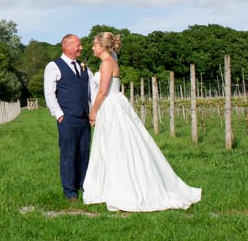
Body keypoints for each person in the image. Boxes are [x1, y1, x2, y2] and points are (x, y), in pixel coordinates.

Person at [82, 31, 202, 212]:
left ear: (103, 47)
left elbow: (102, 92)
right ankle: (109, 185)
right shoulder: (111, 58)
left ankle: (124, 188)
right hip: (113, 106)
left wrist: (93, 111)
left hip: (111, 106)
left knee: (117, 146)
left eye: (95, 45)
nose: (92, 48)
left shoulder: (107, 63)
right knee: (112, 145)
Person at [43, 33, 92, 203]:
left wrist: (92, 112)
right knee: (68, 154)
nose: (81, 48)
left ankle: (83, 185)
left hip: (84, 118)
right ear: (67, 46)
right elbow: (49, 93)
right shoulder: (54, 66)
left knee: (84, 153)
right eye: (78, 45)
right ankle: (70, 191)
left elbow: (90, 91)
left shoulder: (83, 67)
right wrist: (59, 114)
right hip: (68, 118)